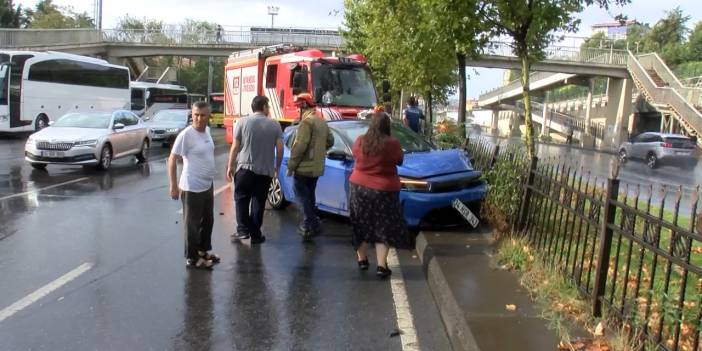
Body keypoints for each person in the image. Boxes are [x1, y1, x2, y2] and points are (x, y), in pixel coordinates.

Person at [349, 108, 407, 279]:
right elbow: (400, 160)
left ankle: (362, 260)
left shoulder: (361, 141)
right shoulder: (392, 143)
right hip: (385, 190)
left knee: (361, 223)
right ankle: (381, 266)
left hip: (359, 187)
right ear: (387, 126)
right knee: (383, 226)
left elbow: (354, 155)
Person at [226, 96, 284, 245]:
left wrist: (230, 166)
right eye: (268, 106)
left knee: (241, 199)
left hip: (245, 169)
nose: (269, 109)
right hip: (265, 171)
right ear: (264, 107)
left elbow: (235, 146)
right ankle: (256, 234)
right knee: (259, 201)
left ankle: (243, 231)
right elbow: (280, 148)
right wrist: (276, 166)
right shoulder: (275, 125)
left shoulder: (242, 122)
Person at [168, 101, 219, 269]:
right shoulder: (186, 135)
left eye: (202, 115)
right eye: (195, 115)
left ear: (208, 116)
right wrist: (173, 186)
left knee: (208, 221)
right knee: (192, 225)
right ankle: (192, 257)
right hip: (191, 187)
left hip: (207, 185)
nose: (198, 118)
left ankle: (203, 251)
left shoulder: (208, 132)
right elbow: (172, 159)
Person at [286, 93, 334, 240]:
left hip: (303, 168)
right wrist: (319, 149)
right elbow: (330, 141)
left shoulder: (306, 123)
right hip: (317, 168)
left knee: (301, 195)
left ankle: (309, 224)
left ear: (304, 107)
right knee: (310, 195)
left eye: (298, 108)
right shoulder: (321, 122)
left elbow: (299, 146)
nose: (297, 111)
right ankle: (314, 223)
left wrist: (291, 166)